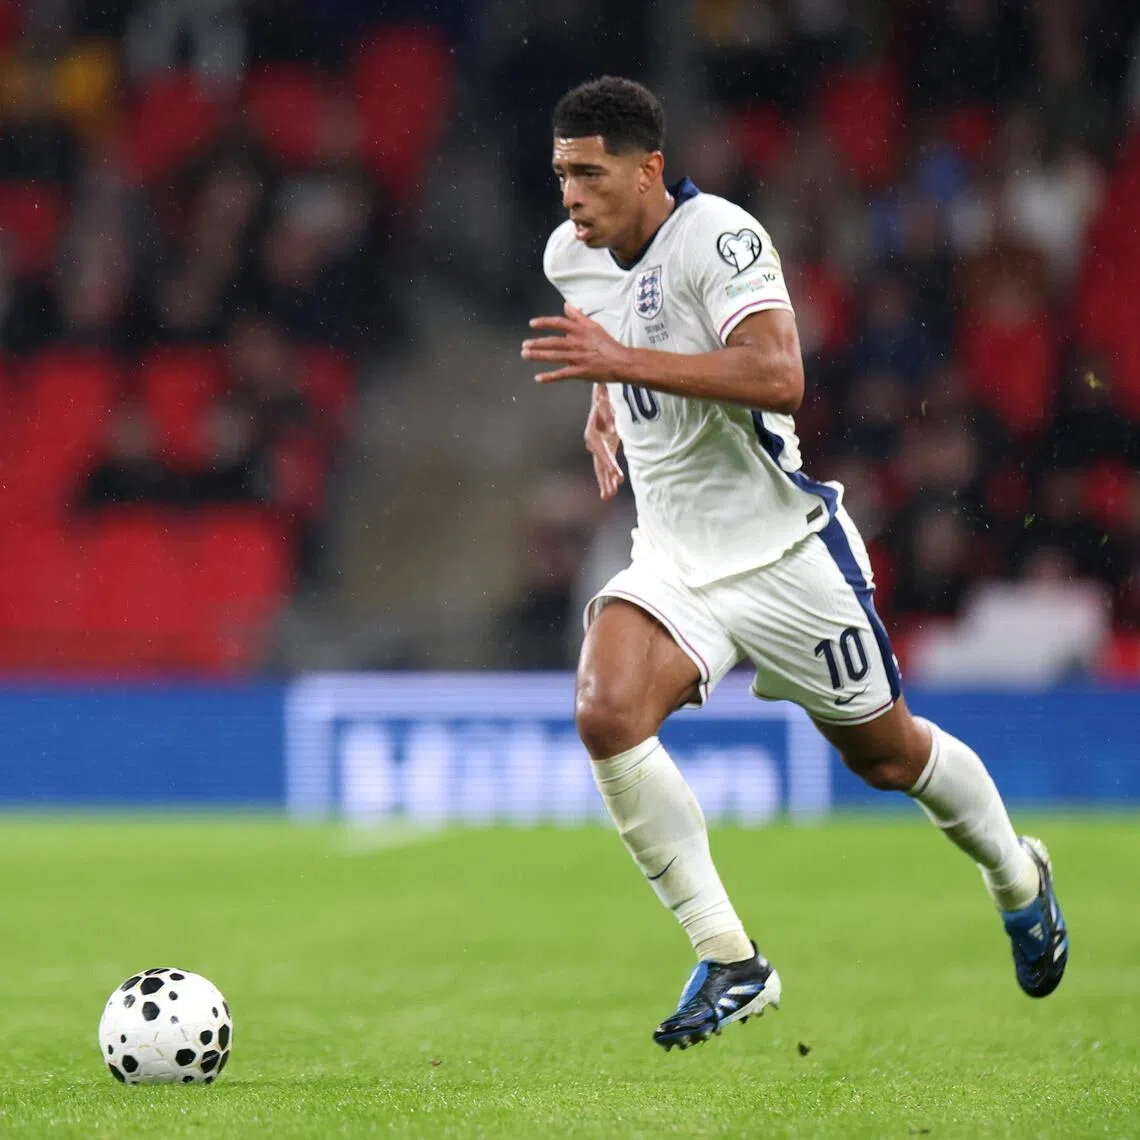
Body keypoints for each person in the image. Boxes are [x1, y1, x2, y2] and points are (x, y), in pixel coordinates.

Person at [521, 77, 1068, 1052]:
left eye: (589, 173)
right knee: (605, 711)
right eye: (562, 172)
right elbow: (621, 346)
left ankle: (1016, 877)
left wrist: (624, 370)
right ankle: (732, 958)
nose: (570, 194)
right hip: (677, 558)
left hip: (780, 554)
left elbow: (780, 375)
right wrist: (604, 407)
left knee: (888, 755)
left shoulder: (722, 239)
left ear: (648, 170)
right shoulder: (575, 253)